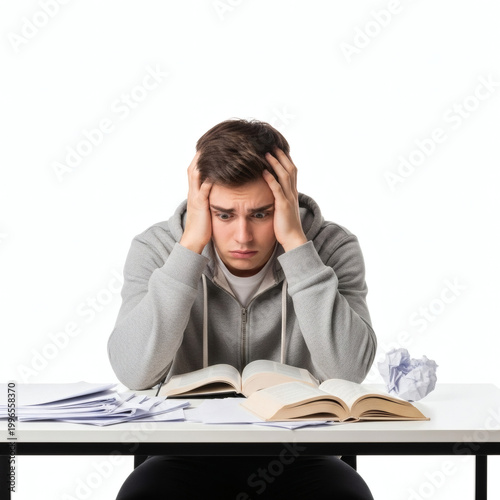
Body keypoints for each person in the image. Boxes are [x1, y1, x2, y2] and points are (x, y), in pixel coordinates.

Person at [108, 118, 377, 499]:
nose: (243, 237)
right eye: (224, 214)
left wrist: (298, 247)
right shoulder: (157, 248)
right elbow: (134, 371)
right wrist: (188, 250)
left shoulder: (332, 247)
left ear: (286, 200)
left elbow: (348, 371)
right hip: (183, 453)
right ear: (201, 204)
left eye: (261, 214)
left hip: (301, 452)